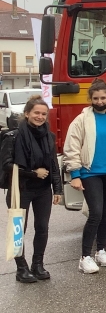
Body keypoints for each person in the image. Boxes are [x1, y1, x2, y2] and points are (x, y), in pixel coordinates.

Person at [64, 79, 106, 274]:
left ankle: (100, 250)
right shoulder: (81, 120)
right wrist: (75, 174)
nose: (100, 101)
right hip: (90, 173)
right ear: (90, 99)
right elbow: (72, 147)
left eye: (103, 97)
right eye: (96, 98)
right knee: (96, 213)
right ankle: (85, 257)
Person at [1, 96, 62, 283]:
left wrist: (58, 189)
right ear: (27, 113)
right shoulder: (13, 136)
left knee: (42, 228)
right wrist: (32, 173)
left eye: (44, 114)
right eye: (36, 112)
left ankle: (38, 264)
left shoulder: (49, 136)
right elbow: (6, 165)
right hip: (21, 189)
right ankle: (21, 268)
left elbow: (53, 164)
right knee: (19, 230)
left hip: (43, 190)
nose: (40, 116)